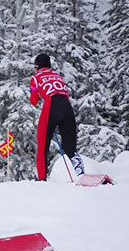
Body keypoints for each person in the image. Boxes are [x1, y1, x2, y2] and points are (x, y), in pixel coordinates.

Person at [29, 53, 85, 181]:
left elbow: (33, 100)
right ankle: (81, 174)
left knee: (43, 145)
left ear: (37, 66)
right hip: (66, 107)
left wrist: (33, 90)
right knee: (70, 146)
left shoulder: (35, 78)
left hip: (50, 106)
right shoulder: (57, 75)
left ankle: (42, 179)